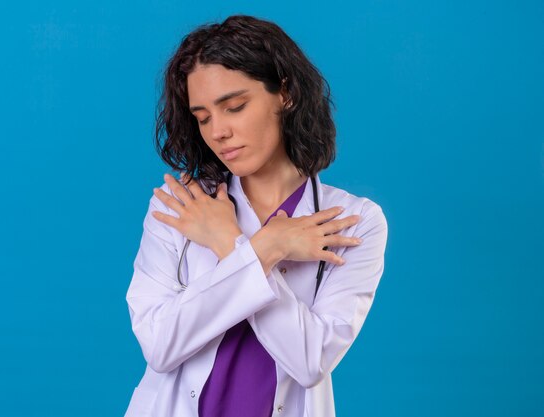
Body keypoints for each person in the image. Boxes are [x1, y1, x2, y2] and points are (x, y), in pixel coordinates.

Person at [124, 14, 388, 417]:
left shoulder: (352, 220)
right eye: (203, 117)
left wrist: (231, 244)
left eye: (234, 107)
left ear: (285, 92)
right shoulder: (179, 205)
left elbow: (309, 360)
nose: (218, 133)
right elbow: (160, 345)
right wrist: (268, 247)